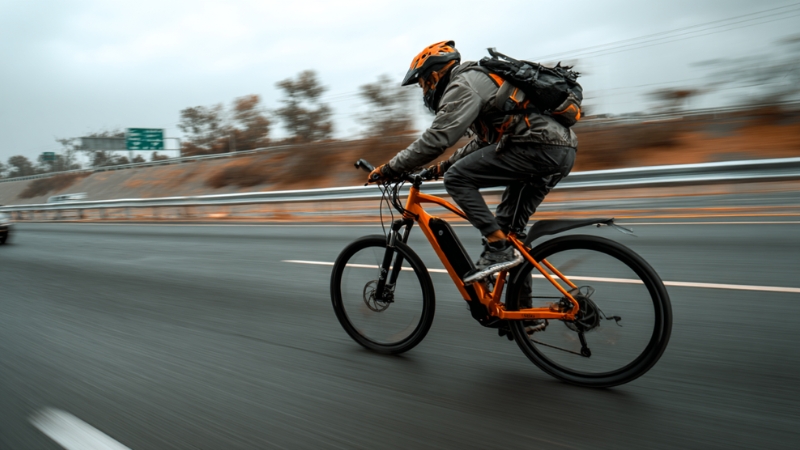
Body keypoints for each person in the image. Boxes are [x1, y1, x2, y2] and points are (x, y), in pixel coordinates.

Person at [369, 40, 577, 286]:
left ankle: (497, 247)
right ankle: (523, 317)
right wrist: (440, 167)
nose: (425, 92)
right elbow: (483, 142)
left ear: (434, 75)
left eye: (423, 84)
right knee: (509, 232)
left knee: (457, 179)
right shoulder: (479, 81)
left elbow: (437, 138)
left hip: (536, 147)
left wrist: (391, 168)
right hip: (560, 150)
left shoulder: (462, 84)